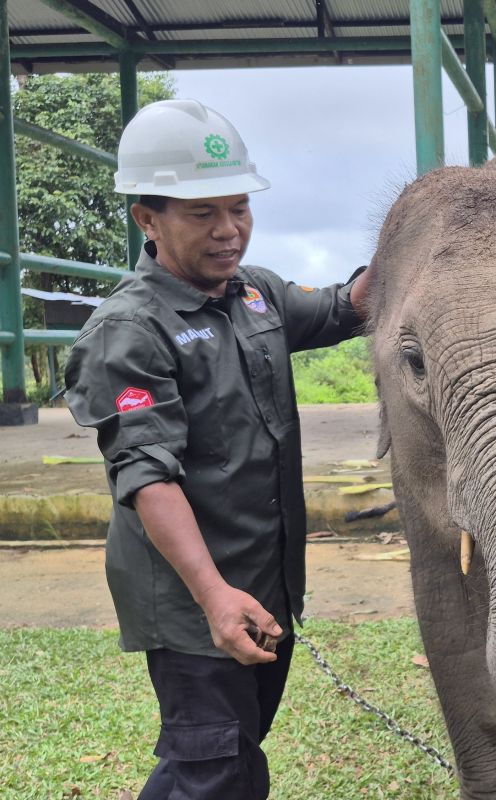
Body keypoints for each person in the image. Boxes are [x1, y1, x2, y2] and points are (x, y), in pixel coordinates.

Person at [65, 99, 374, 798]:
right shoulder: (128, 331)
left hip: (263, 584)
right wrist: (213, 596)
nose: (228, 230)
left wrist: (415, 248)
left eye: (238, 207)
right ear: (148, 219)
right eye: (202, 213)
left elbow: (339, 307)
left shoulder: (254, 294)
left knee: (229, 758)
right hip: (196, 602)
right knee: (211, 769)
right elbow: (147, 477)